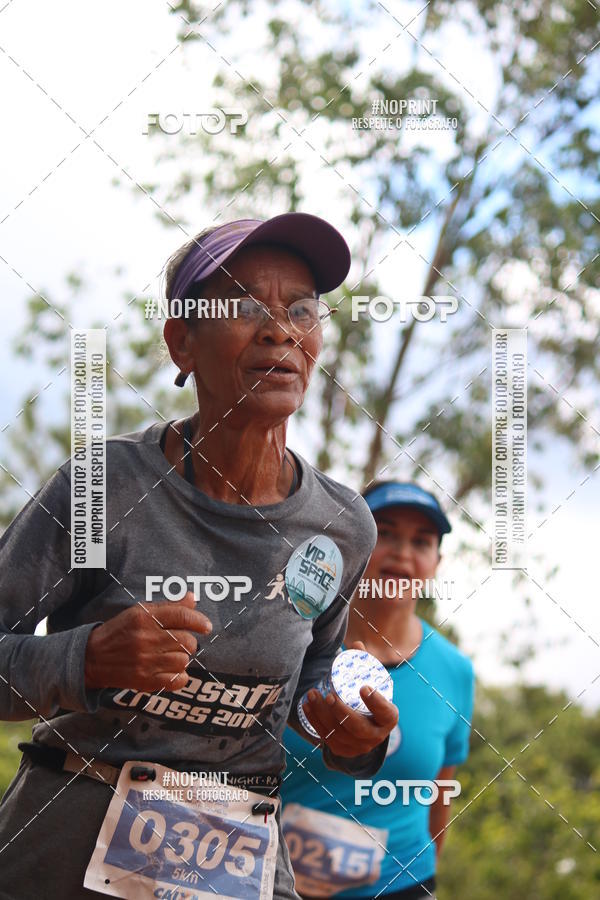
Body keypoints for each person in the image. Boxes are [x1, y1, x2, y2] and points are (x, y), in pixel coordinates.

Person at [0, 213, 399, 899]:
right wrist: (84, 659)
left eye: (301, 309)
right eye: (244, 308)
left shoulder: (341, 525)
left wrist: (348, 732)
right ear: (181, 343)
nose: (279, 329)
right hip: (62, 850)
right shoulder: (102, 487)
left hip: (237, 852)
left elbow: (313, 675)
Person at [281, 480, 475, 899]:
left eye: (421, 541)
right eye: (385, 532)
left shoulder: (455, 670)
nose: (403, 553)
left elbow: (439, 796)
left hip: (401, 886)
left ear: (436, 562)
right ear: (352, 543)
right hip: (272, 884)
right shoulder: (291, 646)